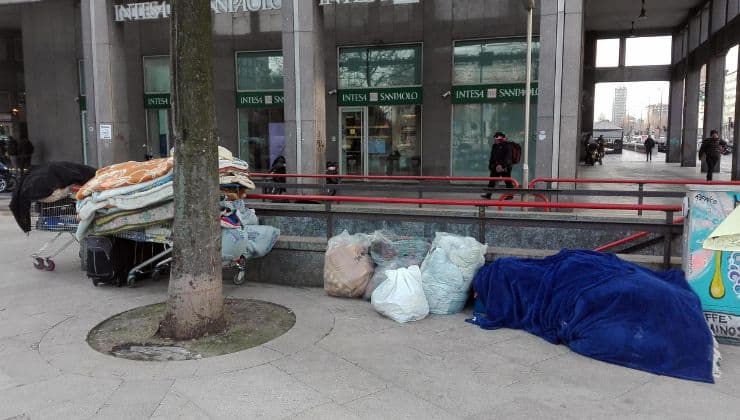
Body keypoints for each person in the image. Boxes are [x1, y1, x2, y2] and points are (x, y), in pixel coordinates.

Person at [481, 131, 515, 199]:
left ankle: (510, 195)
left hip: (505, 167)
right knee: (492, 181)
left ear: (500, 139)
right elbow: (492, 156)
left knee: (507, 181)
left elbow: (508, 157)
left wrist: (502, 166)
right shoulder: (495, 146)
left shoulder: (507, 145)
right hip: (495, 166)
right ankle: (488, 194)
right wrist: (491, 165)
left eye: (496, 139)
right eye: (494, 139)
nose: (494, 140)